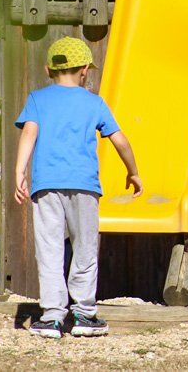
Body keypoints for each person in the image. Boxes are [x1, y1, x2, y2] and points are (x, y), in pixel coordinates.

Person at [14, 36, 142, 339]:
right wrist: (134, 172)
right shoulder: (94, 102)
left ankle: (51, 317)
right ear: (85, 69)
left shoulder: (37, 99)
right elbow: (120, 139)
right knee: (84, 249)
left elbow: (29, 134)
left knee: (49, 249)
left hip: (46, 185)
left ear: (48, 69)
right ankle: (84, 314)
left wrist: (20, 171)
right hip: (84, 186)